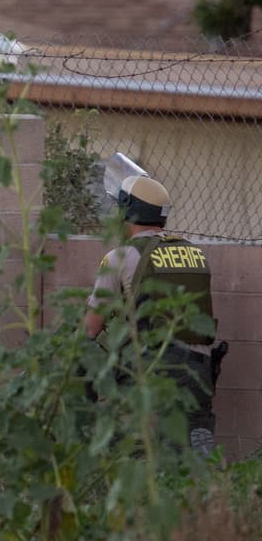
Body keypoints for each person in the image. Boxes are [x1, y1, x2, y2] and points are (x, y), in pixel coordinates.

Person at [83, 168, 221, 457]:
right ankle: (203, 496)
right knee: (193, 457)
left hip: (151, 367)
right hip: (198, 370)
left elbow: (91, 329)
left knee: (137, 453)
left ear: (128, 212)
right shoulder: (195, 254)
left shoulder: (120, 257)